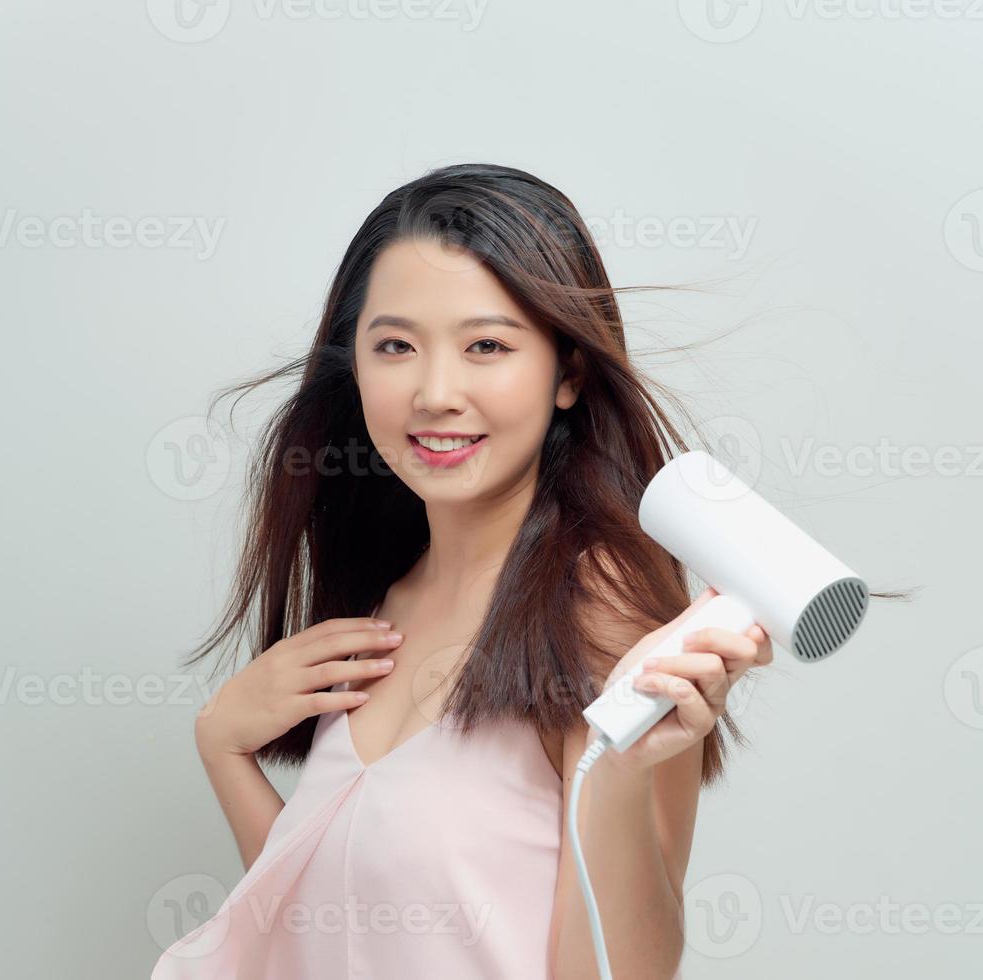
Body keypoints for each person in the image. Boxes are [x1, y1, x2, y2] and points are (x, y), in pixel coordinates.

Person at [152, 163, 773, 979]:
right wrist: (223, 750)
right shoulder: (379, 606)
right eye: (396, 347)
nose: (435, 392)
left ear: (568, 374)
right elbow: (335, 928)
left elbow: (626, 971)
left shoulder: (593, 601)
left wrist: (616, 770)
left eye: (486, 346)